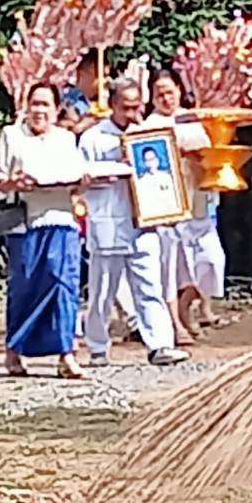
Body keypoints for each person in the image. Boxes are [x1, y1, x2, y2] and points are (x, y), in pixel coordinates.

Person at [79, 80, 189, 367]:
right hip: (108, 222)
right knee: (103, 290)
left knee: (150, 286)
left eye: (136, 107)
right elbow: (82, 176)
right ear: (112, 105)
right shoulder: (93, 138)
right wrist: (116, 165)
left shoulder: (148, 134)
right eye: (125, 108)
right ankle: (98, 347)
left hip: (145, 221)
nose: (131, 114)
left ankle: (160, 345)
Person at [0, 82, 86, 379]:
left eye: (46, 105)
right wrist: (15, 183)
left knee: (63, 283)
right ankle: (14, 349)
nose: (39, 111)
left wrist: (81, 181)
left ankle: (66, 353)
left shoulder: (66, 139)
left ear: (57, 110)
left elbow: (77, 176)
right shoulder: (11, 136)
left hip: (61, 218)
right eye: (35, 104)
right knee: (25, 287)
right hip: (26, 223)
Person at [141, 69, 214, 343]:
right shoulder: (149, 124)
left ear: (179, 91)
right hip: (164, 206)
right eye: (159, 93)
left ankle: (186, 306)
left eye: (169, 92)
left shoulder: (191, 120)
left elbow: (208, 150)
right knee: (169, 268)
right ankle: (174, 324)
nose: (165, 98)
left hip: (196, 202)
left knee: (210, 261)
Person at [61, 50, 105, 135]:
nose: (104, 81)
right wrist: (84, 124)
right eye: (99, 76)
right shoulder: (69, 98)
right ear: (83, 74)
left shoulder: (109, 100)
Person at [135, 145, 179, 213]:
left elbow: (173, 199)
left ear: (157, 159)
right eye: (148, 160)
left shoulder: (167, 177)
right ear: (145, 163)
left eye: (153, 158)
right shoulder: (141, 182)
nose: (152, 162)